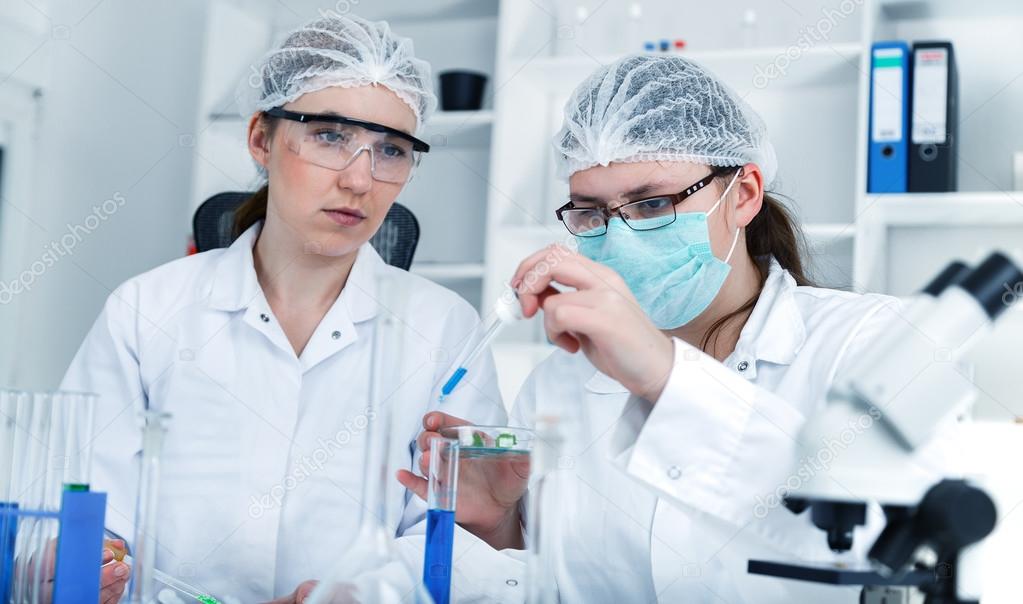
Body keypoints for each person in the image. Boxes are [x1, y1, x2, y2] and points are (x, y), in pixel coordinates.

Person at [400, 54, 945, 602]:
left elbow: (892, 555)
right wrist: (504, 526)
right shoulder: (558, 382)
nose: (621, 236)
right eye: (591, 212)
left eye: (653, 203)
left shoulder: (872, 343)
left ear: (745, 194)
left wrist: (665, 376)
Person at [60, 14, 504, 603]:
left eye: (391, 150)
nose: (358, 180)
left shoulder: (446, 329)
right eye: (330, 136)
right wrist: (89, 564)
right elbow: (84, 506)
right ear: (261, 140)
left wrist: (360, 593)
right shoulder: (146, 310)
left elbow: (463, 531)